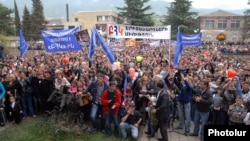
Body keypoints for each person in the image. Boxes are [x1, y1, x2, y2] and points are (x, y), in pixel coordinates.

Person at [174, 71, 192, 135]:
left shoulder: (189, 84)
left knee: (187, 117)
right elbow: (175, 82)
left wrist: (185, 80)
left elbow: (190, 88)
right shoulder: (180, 84)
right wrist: (175, 74)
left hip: (186, 102)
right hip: (180, 102)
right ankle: (181, 125)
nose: (182, 78)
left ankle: (187, 129)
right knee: (180, 115)